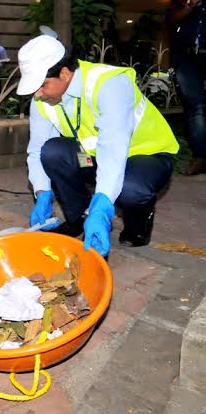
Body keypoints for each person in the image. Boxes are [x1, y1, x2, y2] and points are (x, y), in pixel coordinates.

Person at [17, 34, 179, 257]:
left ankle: (138, 224)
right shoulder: (43, 99)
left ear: (64, 74)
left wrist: (102, 208)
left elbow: (113, 148)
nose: (37, 93)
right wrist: (41, 191)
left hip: (146, 155)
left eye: (42, 85)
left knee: (131, 189)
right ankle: (79, 218)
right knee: (53, 152)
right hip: (94, 156)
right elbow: (37, 149)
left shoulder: (109, 84)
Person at [168, 0, 206, 175]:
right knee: (195, 105)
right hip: (188, 55)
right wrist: (190, 5)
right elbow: (172, 17)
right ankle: (201, 156)